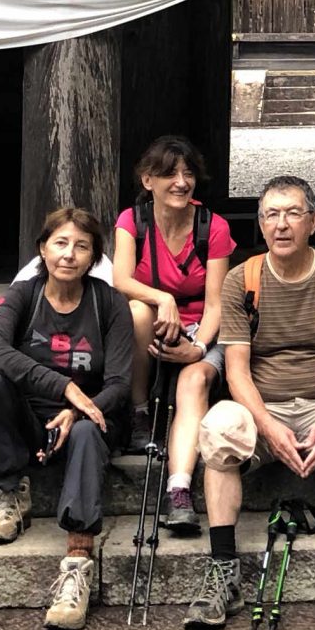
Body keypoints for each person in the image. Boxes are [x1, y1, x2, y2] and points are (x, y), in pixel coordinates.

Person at [183, 174, 315, 630]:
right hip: (265, 405)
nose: (281, 225)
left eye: (292, 213)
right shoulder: (244, 279)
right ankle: (223, 568)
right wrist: (265, 425)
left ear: (313, 221)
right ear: (260, 225)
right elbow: (237, 369)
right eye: (271, 215)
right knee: (219, 426)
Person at [0, 205, 136, 630]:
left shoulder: (109, 304)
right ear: (43, 249)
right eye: (60, 243)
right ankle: (11, 490)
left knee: (84, 429)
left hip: (92, 417)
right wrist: (63, 388)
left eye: (82, 247)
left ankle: (78, 562)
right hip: (30, 418)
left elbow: (120, 382)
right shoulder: (21, 296)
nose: (69, 254)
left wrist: (79, 405)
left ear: (94, 257)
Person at [107, 134, 234, 537]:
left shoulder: (212, 227)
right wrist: (164, 298)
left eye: (188, 173)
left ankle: (178, 491)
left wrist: (198, 348)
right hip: (153, 325)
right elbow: (122, 279)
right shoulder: (133, 220)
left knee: (194, 381)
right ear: (148, 181)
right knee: (137, 310)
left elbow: (216, 303)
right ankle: (139, 411)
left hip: (201, 329)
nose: (181, 182)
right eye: (169, 174)